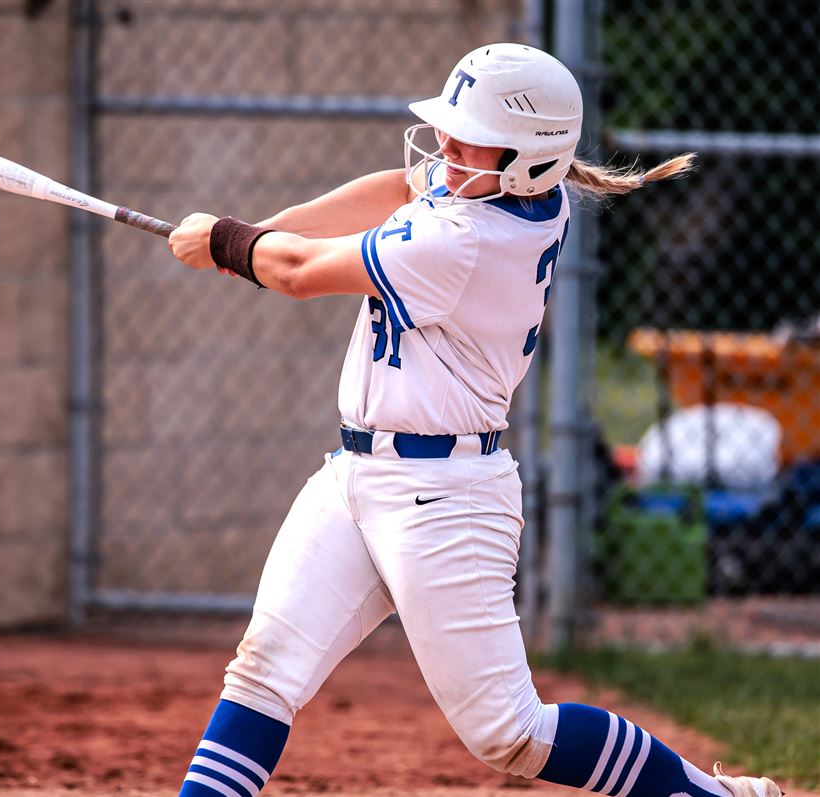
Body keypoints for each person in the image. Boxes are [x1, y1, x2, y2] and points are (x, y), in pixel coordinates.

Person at [166, 43, 781, 797]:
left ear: (527, 156)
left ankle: (711, 796)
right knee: (263, 672)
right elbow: (397, 186)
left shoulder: (464, 238)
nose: (447, 148)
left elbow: (295, 273)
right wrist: (251, 237)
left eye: (468, 136)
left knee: (511, 733)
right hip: (353, 476)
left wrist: (236, 243)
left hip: (445, 500)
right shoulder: (504, 195)